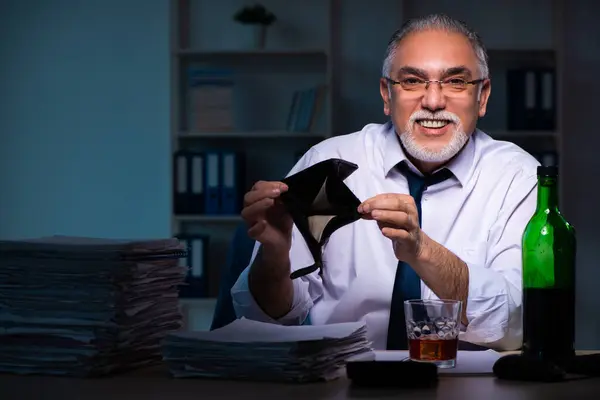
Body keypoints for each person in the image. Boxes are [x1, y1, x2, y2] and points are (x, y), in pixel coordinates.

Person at [231, 13, 539, 351]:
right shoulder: (326, 163)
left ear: (482, 97)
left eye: (455, 82)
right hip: (342, 380)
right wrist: (275, 254)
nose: (434, 102)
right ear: (386, 95)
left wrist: (422, 251)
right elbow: (269, 318)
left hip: (465, 385)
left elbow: (514, 323)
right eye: (412, 81)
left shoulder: (517, 176)